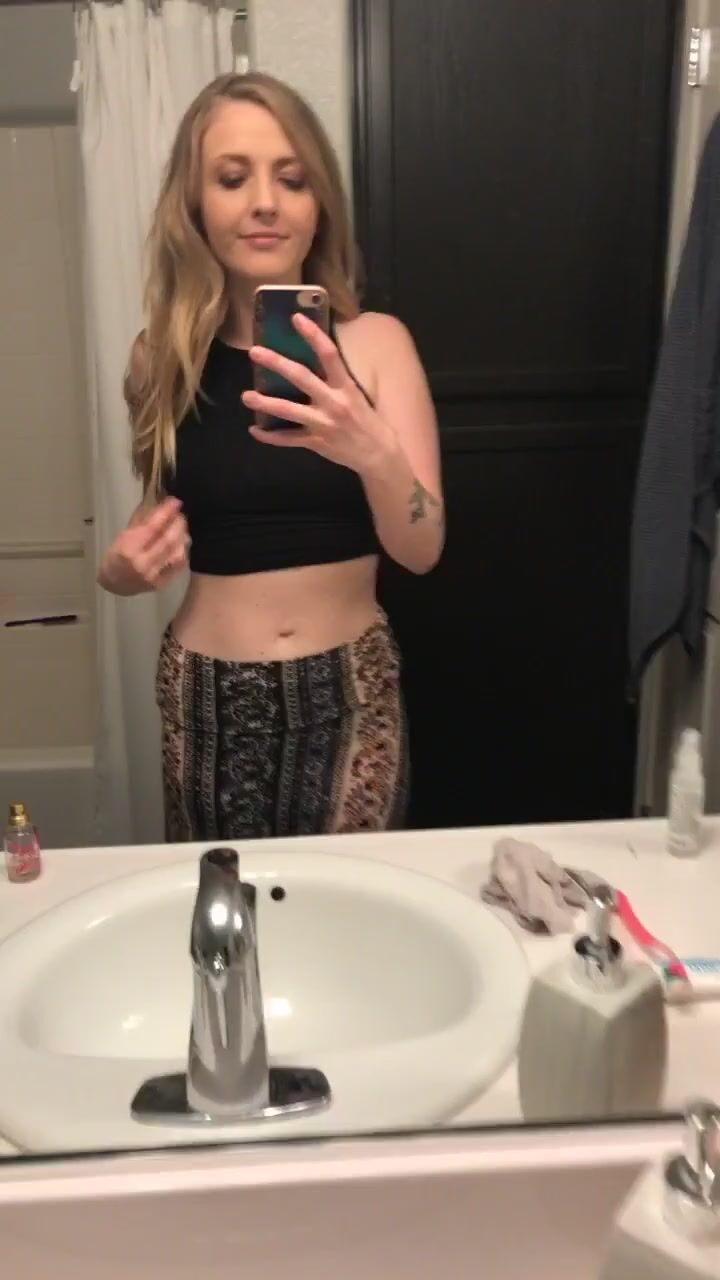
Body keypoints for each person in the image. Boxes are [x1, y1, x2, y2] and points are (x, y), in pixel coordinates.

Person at [97, 71, 444, 842]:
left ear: (319, 204)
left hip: (351, 692)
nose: (264, 202)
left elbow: (423, 548)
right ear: (195, 205)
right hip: (204, 696)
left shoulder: (377, 346)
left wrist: (375, 452)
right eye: (232, 178)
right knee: (224, 906)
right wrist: (118, 571)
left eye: (292, 179)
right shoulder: (159, 359)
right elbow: (153, 529)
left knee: (353, 906)